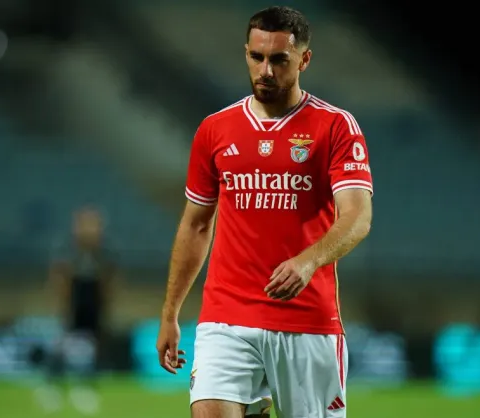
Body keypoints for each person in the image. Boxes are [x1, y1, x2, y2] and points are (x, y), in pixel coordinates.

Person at [156, 6, 373, 418]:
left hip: (307, 322)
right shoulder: (215, 130)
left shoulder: (335, 127)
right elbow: (196, 225)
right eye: (257, 57)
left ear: (304, 60)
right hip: (227, 318)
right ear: (246, 53)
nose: (265, 71)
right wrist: (169, 313)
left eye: (279, 60)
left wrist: (309, 261)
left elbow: (357, 217)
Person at [35, 206, 118, 415]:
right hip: (74, 304)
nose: (91, 230)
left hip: (95, 305)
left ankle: (86, 388)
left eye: (95, 225)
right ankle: (51, 385)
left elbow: (109, 279)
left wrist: (107, 304)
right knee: (62, 346)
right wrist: (62, 304)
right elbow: (60, 276)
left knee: (95, 348)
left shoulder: (104, 251)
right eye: (86, 225)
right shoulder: (68, 250)